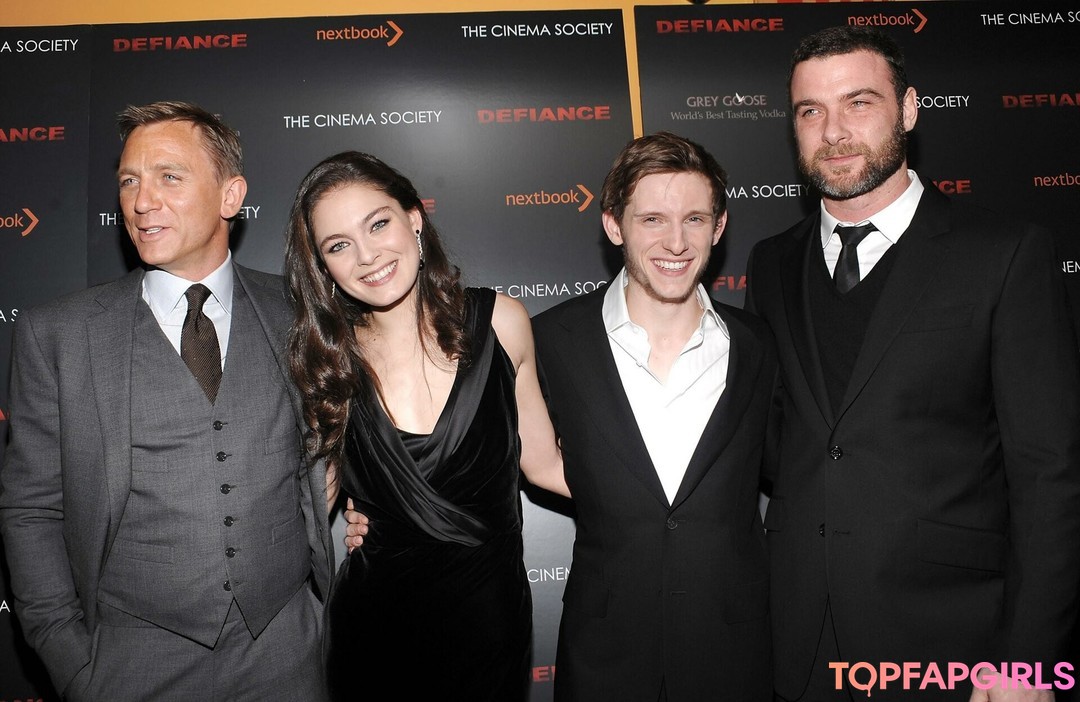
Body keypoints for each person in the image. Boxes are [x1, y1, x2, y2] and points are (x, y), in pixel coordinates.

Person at [349, 132, 778, 701]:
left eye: (694, 219)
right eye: (652, 219)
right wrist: (381, 508)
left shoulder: (759, 345)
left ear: (719, 227)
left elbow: (798, 471)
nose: (676, 241)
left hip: (734, 649)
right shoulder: (550, 339)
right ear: (614, 225)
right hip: (604, 653)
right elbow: (484, 449)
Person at [745, 26, 1080, 702]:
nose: (833, 131)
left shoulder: (1003, 253)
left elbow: (1050, 474)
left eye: (859, 103)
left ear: (908, 108)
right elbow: (780, 444)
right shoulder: (771, 263)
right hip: (798, 642)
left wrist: (1027, 661)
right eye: (810, 111)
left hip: (953, 641)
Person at [0, 101, 334, 701]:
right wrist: (69, 658)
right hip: (128, 663)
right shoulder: (59, 334)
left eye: (169, 177)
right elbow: (31, 509)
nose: (141, 201)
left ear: (231, 196)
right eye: (129, 181)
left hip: (286, 651)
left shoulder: (298, 313)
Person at [283, 150, 567, 701]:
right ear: (323, 267)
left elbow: (545, 464)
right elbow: (310, 510)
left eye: (378, 224)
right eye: (339, 245)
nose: (367, 255)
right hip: (373, 635)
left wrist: (668, 496)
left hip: (490, 629)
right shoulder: (329, 362)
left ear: (414, 217)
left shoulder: (501, 323)